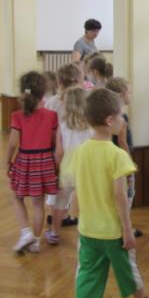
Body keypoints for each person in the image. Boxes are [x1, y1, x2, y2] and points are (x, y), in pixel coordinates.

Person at [68, 88, 149, 298]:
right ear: (109, 120)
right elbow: (120, 196)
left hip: (88, 230)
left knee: (85, 275)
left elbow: (77, 186)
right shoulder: (117, 155)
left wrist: (75, 210)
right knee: (128, 271)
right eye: (122, 116)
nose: (124, 120)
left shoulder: (80, 151)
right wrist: (127, 229)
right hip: (113, 231)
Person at [5, 71, 59, 253]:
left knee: (16, 196)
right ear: (43, 92)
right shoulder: (52, 115)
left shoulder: (17, 116)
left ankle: (25, 232)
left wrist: (7, 161)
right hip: (44, 161)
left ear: (23, 92)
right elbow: (53, 141)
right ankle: (35, 241)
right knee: (38, 203)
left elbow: (12, 143)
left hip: (25, 161)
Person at [49, 87, 92, 245]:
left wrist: (56, 169)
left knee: (60, 202)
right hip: (86, 170)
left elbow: (59, 152)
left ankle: (54, 232)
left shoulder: (62, 125)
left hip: (67, 169)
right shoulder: (91, 125)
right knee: (87, 202)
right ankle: (88, 232)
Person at [45, 63, 82, 228]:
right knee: (72, 185)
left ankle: (52, 213)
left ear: (59, 81)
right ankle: (67, 213)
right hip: (74, 146)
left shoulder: (52, 102)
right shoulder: (81, 100)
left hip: (56, 144)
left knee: (58, 183)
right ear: (78, 80)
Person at [106, 77, 142, 238]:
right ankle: (125, 228)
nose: (131, 95)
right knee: (128, 194)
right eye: (129, 92)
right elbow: (122, 141)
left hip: (109, 160)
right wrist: (129, 163)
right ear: (121, 94)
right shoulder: (122, 116)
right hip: (120, 161)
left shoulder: (107, 114)